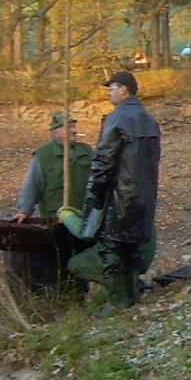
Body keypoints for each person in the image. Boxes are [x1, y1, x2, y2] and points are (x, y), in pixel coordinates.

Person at [78, 70, 162, 311]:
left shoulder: (117, 118)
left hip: (120, 194)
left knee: (113, 248)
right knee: (133, 247)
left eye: (112, 87)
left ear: (124, 89)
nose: (109, 92)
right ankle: (132, 296)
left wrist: (94, 194)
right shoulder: (148, 118)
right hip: (144, 195)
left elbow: (104, 161)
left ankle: (117, 302)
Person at [10, 111, 92, 223]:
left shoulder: (87, 151)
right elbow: (32, 186)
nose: (74, 131)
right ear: (55, 132)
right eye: (69, 128)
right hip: (55, 219)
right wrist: (24, 211)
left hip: (85, 216)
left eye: (74, 127)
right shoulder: (43, 155)